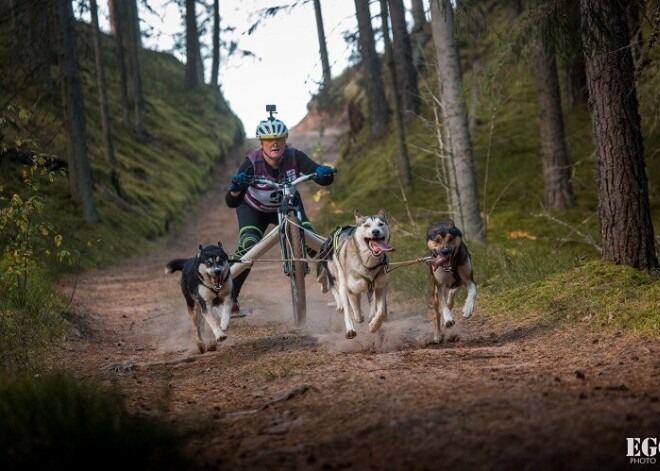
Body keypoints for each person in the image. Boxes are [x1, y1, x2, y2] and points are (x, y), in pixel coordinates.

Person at [225, 107, 335, 314]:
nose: (274, 143)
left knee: (312, 242)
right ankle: (229, 298)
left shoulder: (295, 156)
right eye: (268, 140)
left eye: (279, 139)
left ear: (285, 140)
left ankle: (341, 288)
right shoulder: (251, 162)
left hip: (289, 204)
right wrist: (236, 188)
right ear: (262, 143)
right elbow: (231, 202)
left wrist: (323, 173)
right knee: (249, 246)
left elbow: (321, 176)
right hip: (254, 208)